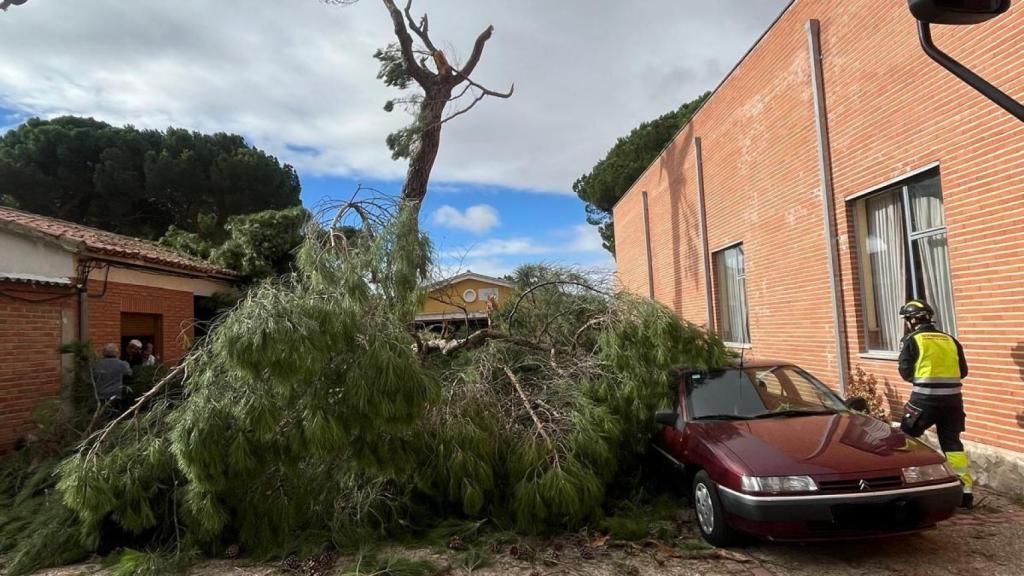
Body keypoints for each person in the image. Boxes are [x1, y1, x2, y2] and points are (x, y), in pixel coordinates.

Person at [897, 299, 974, 509]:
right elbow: (963, 371)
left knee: (906, 439)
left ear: (913, 320)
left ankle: (910, 488)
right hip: (953, 403)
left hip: (924, 400)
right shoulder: (950, 339)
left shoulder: (912, 339)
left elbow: (905, 372)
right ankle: (965, 492)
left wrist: (923, 377)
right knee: (952, 444)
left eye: (907, 320)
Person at [90, 343, 133, 416]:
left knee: (100, 416)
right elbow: (129, 373)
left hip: (100, 395)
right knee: (113, 416)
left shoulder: (96, 364)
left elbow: (91, 378)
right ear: (116, 353)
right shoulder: (122, 364)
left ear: (103, 353)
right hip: (115, 396)